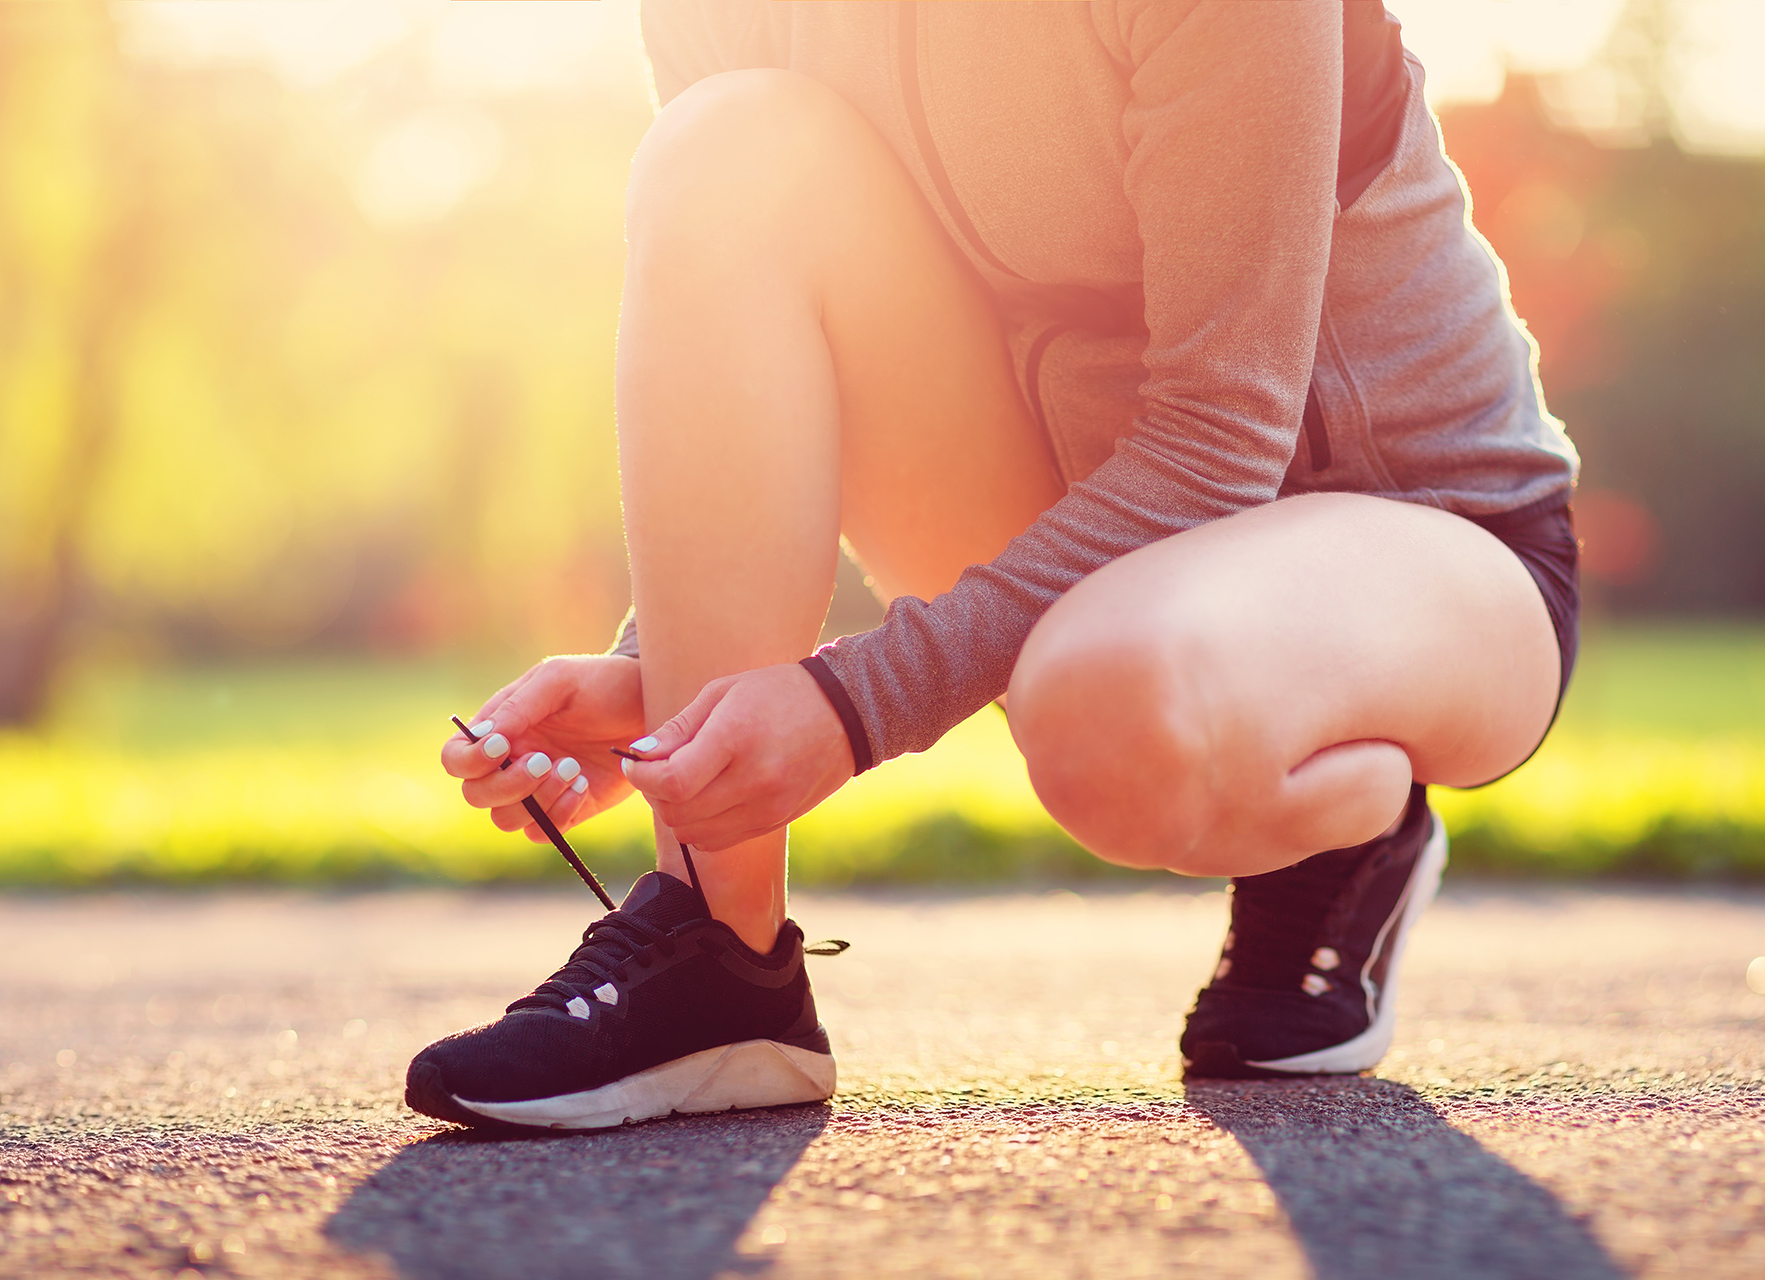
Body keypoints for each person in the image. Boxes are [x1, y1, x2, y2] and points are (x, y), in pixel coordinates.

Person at [404, 0, 1579, 1132]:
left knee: (1111, 704)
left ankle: (1346, 816)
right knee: (727, 145)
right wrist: (665, 675)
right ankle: (719, 957)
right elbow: (775, 360)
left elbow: (1221, 435)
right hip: (1091, 533)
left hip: (1426, 537)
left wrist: (854, 705)